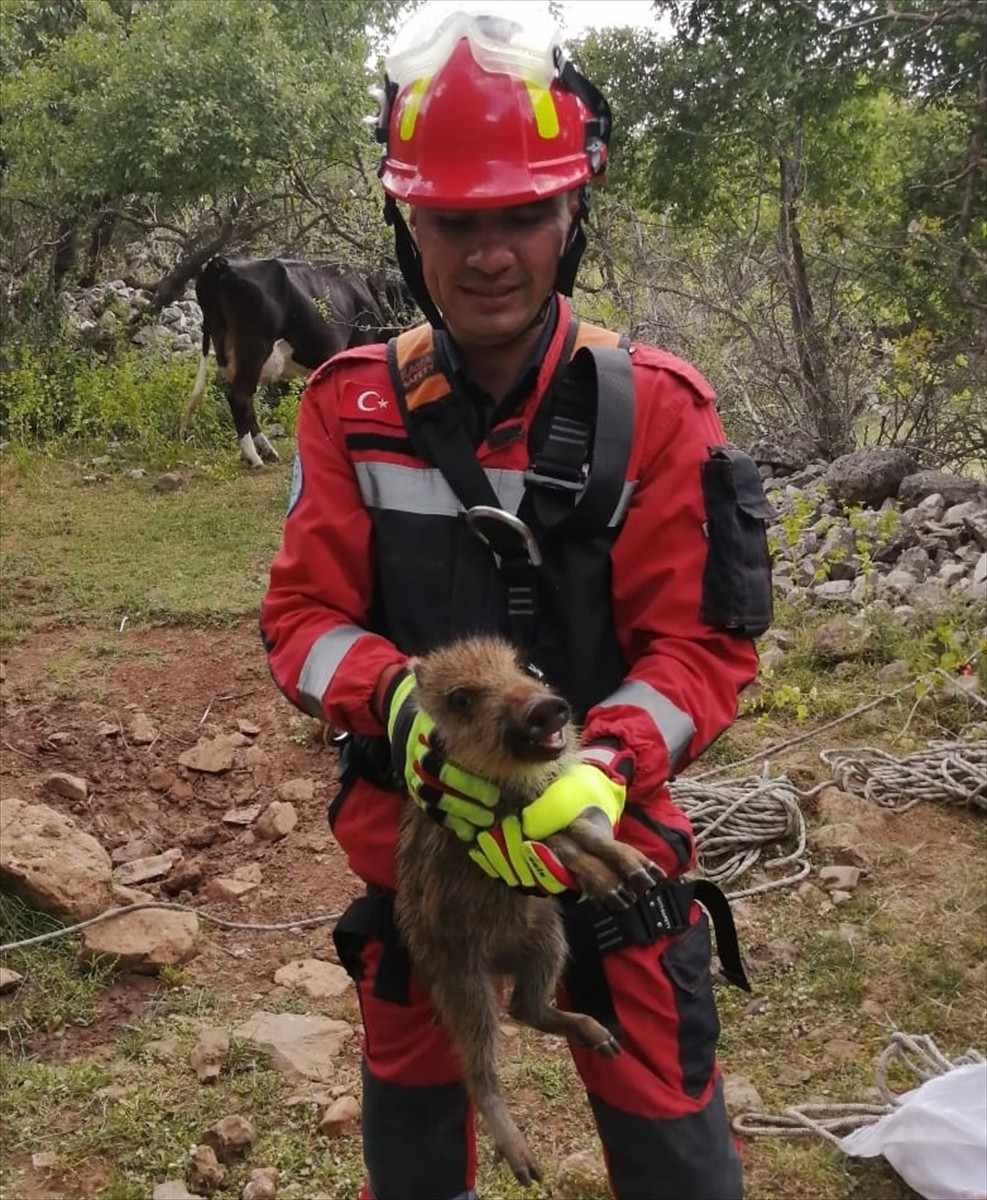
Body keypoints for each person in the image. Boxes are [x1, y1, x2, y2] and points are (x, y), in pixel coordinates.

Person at [260, 6, 774, 1198]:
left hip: (613, 841)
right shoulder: (350, 407)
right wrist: (399, 711)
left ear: (570, 217)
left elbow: (703, 649)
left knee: (670, 1134)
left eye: (521, 215)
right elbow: (302, 618)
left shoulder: (658, 410)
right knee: (419, 1121)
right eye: (454, 219)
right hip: (418, 847)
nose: (488, 251)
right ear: (410, 227)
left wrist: (603, 766)